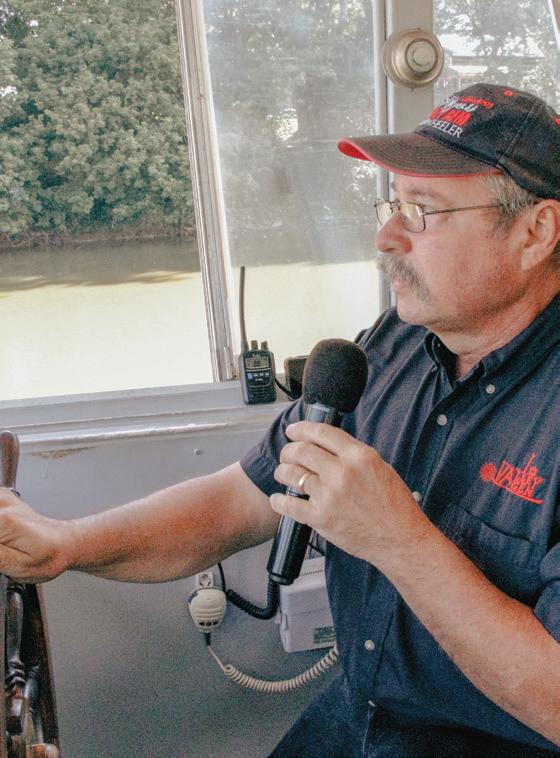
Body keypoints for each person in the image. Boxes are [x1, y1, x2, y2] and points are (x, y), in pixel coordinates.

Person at [0, 82, 559, 756]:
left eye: (422, 210)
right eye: (392, 204)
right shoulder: (396, 341)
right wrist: (66, 544)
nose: (386, 236)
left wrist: (399, 541)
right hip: (358, 713)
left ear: (535, 232)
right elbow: (243, 497)